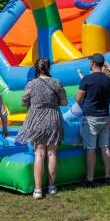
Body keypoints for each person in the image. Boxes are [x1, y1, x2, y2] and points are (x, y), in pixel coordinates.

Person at [16, 58, 68, 199]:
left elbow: (23, 102)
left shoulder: (31, 84)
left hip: (37, 119)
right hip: (53, 118)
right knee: (52, 153)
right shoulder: (56, 83)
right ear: (49, 68)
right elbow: (64, 102)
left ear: (36, 69)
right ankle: (52, 187)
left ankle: (38, 190)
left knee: (39, 154)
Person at [75, 53, 110, 187]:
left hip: (91, 117)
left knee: (91, 148)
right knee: (104, 146)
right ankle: (107, 176)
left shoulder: (87, 79)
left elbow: (78, 98)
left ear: (92, 63)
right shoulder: (108, 80)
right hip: (105, 116)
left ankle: (90, 179)